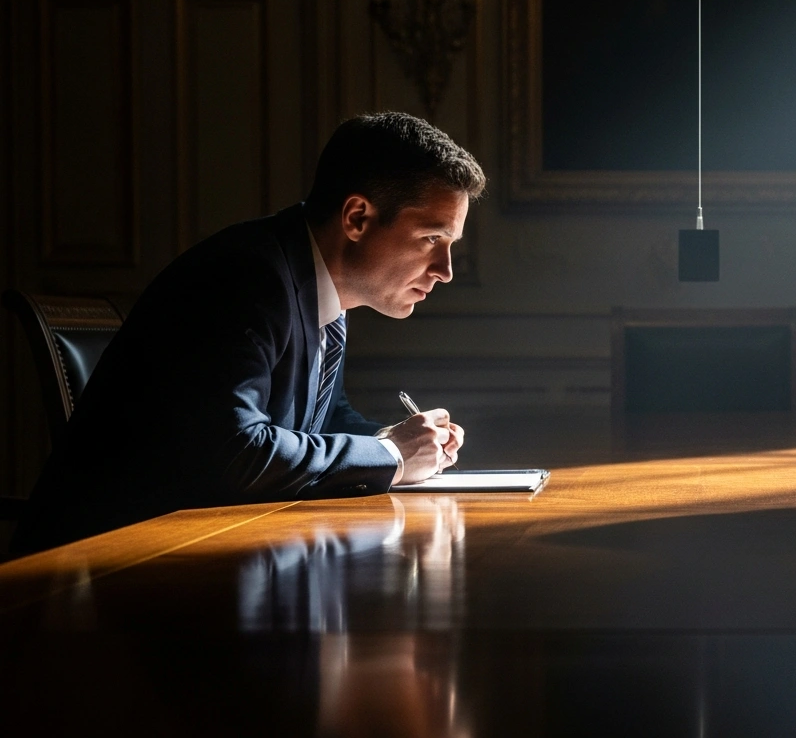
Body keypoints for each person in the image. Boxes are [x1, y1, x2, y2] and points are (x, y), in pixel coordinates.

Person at [14, 112, 484, 552]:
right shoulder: (247, 278)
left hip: (205, 556)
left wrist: (405, 443)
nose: (444, 270)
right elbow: (234, 450)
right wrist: (390, 454)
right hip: (104, 579)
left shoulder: (319, 290)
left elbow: (319, 421)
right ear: (357, 217)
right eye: (431, 239)